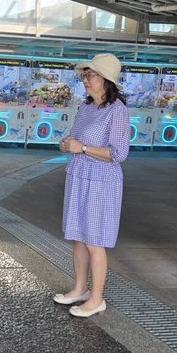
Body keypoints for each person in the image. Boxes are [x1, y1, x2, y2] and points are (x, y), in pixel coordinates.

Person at [54, 53, 129, 318]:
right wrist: (69, 144)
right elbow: (77, 140)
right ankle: (79, 288)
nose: (86, 79)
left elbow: (118, 153)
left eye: (91, 74)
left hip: (101, 181)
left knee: (94, 240)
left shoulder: (117, 110)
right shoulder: (85, 108)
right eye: (85, 74)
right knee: (77, 236)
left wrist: (82, 147)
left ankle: (97, 298)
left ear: (107, 80)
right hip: (79, 173)